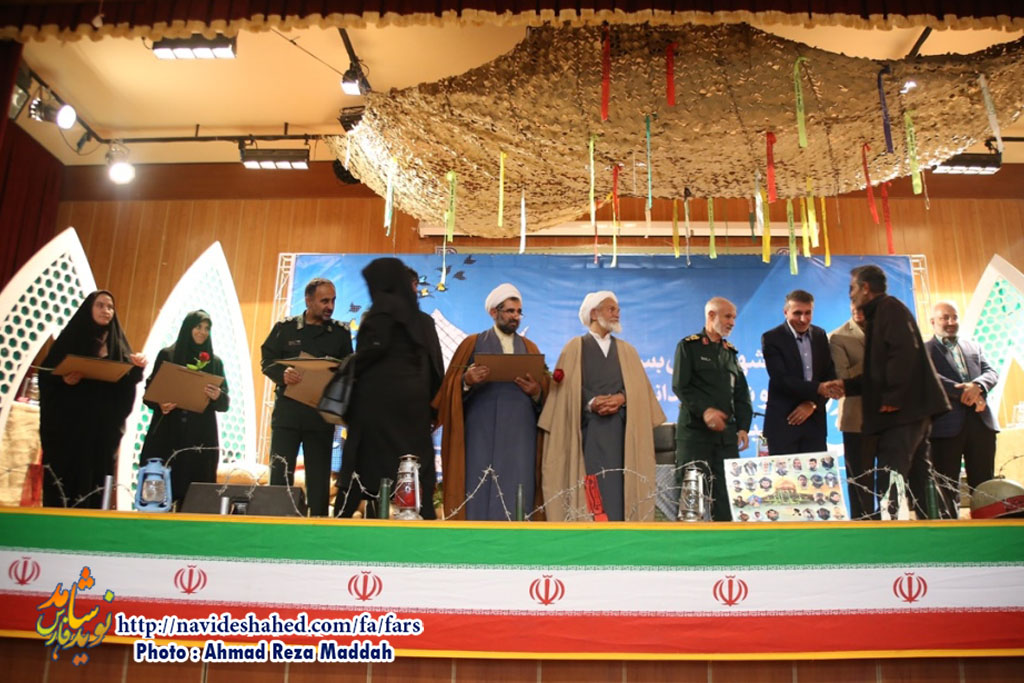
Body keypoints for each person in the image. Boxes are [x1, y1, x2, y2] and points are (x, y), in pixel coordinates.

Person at [538, 291, 665, 521]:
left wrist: (622, 398)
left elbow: (641, 391)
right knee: (591, 493)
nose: (617, 314)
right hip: (587, 435)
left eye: (617, 309)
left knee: (621, 492)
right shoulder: (574, 348)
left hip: (622, 436)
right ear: (594, 314)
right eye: (611, 309)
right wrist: (591, 402)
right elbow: (564, 394)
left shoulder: (628, 351)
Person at [335, 258, 444, 519]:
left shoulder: (377, 318)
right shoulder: (422, 323)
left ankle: (338, 530)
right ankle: (427, 531)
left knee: (361, 477)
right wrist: (433, 410)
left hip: (374, 417)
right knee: (415, 478)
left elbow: (367, 358)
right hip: (414, 415)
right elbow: (435, 367)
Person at [840, 265, 950, 519]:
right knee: (921, 476)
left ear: (865, 288)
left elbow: (904, 353)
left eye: (853, 288)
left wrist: (893, 397)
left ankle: (891, 533)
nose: (850, 294)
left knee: (891, 477)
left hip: (902, 413)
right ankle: (937, 526)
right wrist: (846, 386)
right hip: (909, 412)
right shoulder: (881, 313)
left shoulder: (889, 309)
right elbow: (878, 371)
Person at [433, 283, 547, 520]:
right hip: (480, 433)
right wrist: (467, 380)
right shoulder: (471, 344)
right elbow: (449, 388)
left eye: (519, 312)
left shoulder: (530, 348)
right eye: (510, 311)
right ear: (494, 312)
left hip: (520, 436)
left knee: (519, 488)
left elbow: (545, 392)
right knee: (478, 485)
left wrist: (536, 392)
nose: (515, 317)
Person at [38, 291, 147, 508]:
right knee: (65, 478)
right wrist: (64, 381)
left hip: (101, 428)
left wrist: (137, 368)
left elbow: (127, 382)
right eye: (100, 305)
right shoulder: (70, 339)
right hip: (70, 426)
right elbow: (47, 375)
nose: (106, 310)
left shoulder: (117, 343)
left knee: (96, 478)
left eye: (110, 307)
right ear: (89, 308)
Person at [261, 277, 352, 516]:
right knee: (280, 475)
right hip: (288, 416)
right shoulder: (285, 328)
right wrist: (282, 374)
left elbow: (349, 370)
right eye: (324, 301)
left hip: (320, 417)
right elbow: (266, 361)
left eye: (333, 301)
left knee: (319, 481)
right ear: (308, 300)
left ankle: (318, 526)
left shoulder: (340, 333)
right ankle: (276, 524)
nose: (330, 306)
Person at [673, 297, 752, 521]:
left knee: (727, 500)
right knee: (691, 500)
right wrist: (705, 411)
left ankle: (727, 542)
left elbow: (741, 395)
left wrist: (743, 427)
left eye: (734, 317)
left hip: (725, 438)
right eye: (727, 316)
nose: (732, 322)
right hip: (695, 436)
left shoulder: (730, 353)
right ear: (711, 315)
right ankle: (690, 542)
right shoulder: (689, 346)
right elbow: (680, 386)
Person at [139, 310, 229, 509]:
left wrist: (217, 395)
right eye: (198, 326)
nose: (202, 332)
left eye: (207, 328)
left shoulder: (214, 363)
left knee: (196, 500)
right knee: (156, 497)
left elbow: (224, 404)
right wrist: (160, 403)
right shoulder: (168, 355)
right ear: (188, 328)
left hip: (199, 439)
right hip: (167, 434)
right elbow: (150, 392)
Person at [924, 301, 999, 519]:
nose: (951, 322)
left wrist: (978, 386)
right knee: (946, 486)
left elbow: (991, 372)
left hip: (981, 423)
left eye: (954, 317)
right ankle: (951, 532)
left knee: (984, 484)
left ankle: (986, 527)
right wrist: (964, 391)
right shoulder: (924, 350)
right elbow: (930, 378)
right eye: (944, 318)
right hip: (945, 426)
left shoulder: (973, 346)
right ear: (933, 322)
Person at [761, 290, 841, 455]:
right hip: (783, 423)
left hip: (815, 423)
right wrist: (817, 389)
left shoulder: (820, 335)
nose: (803, 319)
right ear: (786, 312)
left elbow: (829, 374)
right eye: (797, 313)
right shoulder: (771, 338)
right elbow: (781, 379)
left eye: (808, 313)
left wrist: (812, 404)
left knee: (818, 472)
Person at [829, 303, 873, 519]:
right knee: (860, 481)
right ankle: (863, 525)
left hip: (891, 417)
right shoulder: (838, 337)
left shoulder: (887, 331)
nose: (858, 308)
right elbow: (843, 378)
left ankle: (893, 524)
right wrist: (875, 361)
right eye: (854, 303)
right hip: (856, 418)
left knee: (892, 477)